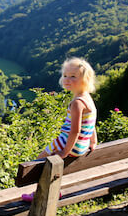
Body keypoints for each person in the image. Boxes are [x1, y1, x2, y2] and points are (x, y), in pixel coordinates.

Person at [22, 57, 97, 202]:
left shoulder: (77, 103)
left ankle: (38, 194)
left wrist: (65, 151)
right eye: (65, 76)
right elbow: (91, 123)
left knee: (38, 162)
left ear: (85, 80)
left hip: (68, 143)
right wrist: (93, 141)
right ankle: (53, 189)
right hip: (83, 144)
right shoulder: (87, 98)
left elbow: (74, 130)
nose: (67, 80)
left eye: (73, 76)